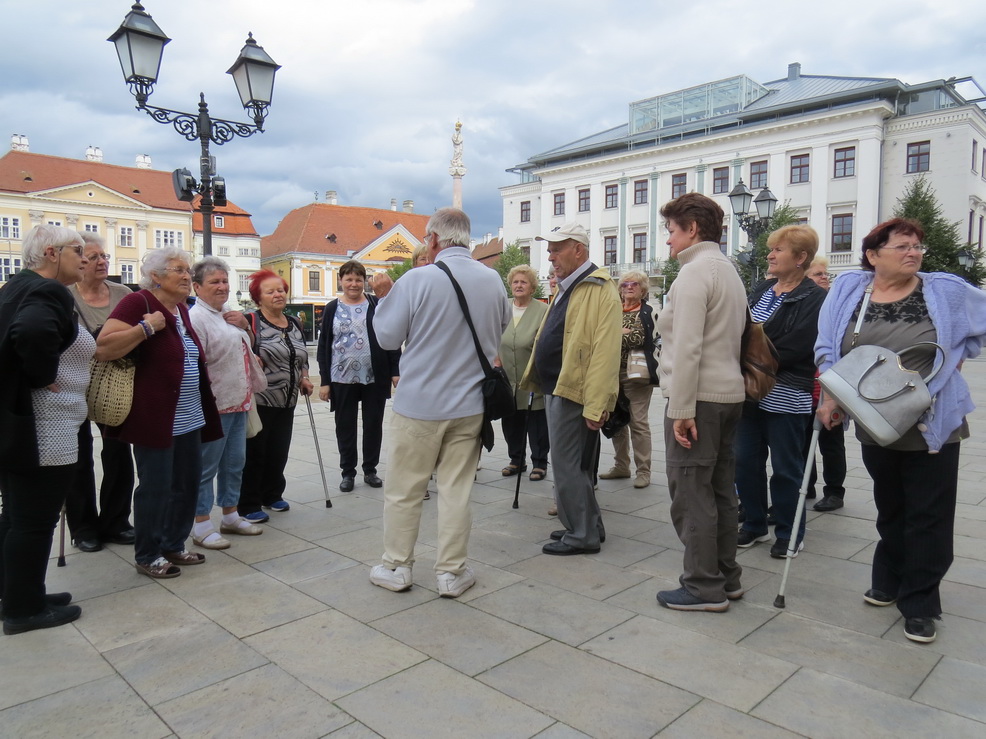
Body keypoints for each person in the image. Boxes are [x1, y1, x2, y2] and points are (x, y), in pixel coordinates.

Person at [816, 217, 986, 644]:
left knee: (928, 514)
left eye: (917, 246)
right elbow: (827, 347)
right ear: (873, 255)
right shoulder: (849, 289)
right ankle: (889, 579)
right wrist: (830, 396)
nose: (913, 253)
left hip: (932, 423)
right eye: (903, 246)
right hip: (875, 421)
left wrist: (959, 355)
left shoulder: (944, 290)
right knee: (890, 505)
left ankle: (921, 602)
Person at [366, 207, 510, 597]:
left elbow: (387, 338)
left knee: (404, 490)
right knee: (456, 491)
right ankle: (451, 572)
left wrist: (383, 298)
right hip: (470, 405)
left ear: (433, 239)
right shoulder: (492, 279)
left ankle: (397, 566)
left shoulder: (416, 279)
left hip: (419, 405)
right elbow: (500, 329)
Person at [98, 247, 222, 579]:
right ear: (155, 276)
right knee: (155, 487)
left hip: (190, 415)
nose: (187, 276)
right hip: (155, 417)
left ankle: (173, 544)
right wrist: (145, 328)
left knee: (186, 485)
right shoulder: (138, 302)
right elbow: (104, 347)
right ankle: (148, 553)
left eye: (188, 271)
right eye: (179, 270)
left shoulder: (181, 308)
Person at [655, 193, 747, 612]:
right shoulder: (728, 269)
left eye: (672, 231)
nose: (669, 240)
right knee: (721, 491)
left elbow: (687, 347)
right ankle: (726, 577)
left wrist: (681, 410)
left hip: (699, 399)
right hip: (727, 394)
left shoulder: (694, 273)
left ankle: (702, 586)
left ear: (692, 229)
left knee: (692, 494)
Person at [0, 226, 89, 634]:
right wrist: (41, 373)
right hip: (45, 425)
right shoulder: (48, 290)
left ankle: (16, 593)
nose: (83, 258)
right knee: (34, 520)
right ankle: (24, 609)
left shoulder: (16, 287)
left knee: (17, 516)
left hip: (18, 422)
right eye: (77, 250)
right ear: (52, 253)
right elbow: (33, 332)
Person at [522, 222, 621, 556]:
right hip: (559, 386)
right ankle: (588, 525)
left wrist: (597, 403)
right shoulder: (571, 285)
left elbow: (605, 351)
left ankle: (581, 535)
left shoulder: (598, 287)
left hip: (574, 391)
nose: (550, 256)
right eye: (549, 250)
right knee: (574, 465)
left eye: (556, 249)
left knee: (567, 466)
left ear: (578, 250)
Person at [735, 226, 826, 559]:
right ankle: (755, 524)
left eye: (778, 250)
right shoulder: (762, 289)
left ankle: (789, 532)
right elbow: (739, 328)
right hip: (748, 393)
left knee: (787, 469)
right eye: (771, 249)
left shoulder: (815, 298)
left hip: (787, 395)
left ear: (801, 257)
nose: (770, 255)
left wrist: (748, 355)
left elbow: (798, 345)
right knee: (745, 462)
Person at [65, 232, 136, 552]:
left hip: (115, 385)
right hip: (74, 383)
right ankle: (83, 527)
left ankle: (116, 520)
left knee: (118, 453)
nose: (102, 261)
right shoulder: (65, 296)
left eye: (104, 256)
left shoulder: (123, 294)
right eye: (93, 257)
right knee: (79, 457)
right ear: (79, 262)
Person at [188, 257, 263, 550]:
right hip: (213, 404)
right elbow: (197, 362)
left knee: (234, 463)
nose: (222, 287)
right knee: (206, 466)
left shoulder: (227, 313)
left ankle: (230, 515)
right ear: (197, 287)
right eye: (214, 282)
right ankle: (201, 523)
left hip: (239, 400)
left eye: (224, 281)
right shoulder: (197, 318)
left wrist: (246, 327)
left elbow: (247, 346)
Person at [317, 260, 400, 492]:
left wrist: (395, 370)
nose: (353, 284)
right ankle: (348, 472)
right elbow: (324, 346)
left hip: (374, 376)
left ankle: (370, 469)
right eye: (349, 279)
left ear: (365, 281)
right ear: (341, 281)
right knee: (345, 426)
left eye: (358, 279)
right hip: (341, 377)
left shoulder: (375, 304)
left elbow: (390, 336)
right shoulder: (332, 308)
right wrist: (324, 381)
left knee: (373, 424)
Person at [238, 270, 314, 523]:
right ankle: (248, 503)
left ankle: (272, 494)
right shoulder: (250, 321)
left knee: (279, 450)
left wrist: (304, 377)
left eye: (280, 290)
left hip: (288, 399)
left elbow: (301, 357)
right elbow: (239, 351)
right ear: (258, 297)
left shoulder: (294, 323)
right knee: (255, 452)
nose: (278, 294)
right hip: (260, 399)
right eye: (270, 291)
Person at [599, 269, 659, 488]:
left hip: (637, 376)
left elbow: (639, 338)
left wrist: (616, 333)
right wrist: (621, 332)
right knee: (616, 421)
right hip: (612, 374)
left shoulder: (648, 312)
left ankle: (643, 471)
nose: (629, 288)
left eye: (634, 284)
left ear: (643, 289)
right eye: (625, 284)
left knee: (638, 422)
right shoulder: (613, 310)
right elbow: (601, 335)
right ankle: (621, 466)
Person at [498, 265, 550, 482]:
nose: (518, 286)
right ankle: (516, 460)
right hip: (507, 375)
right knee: (511, 421)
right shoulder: (503, 307)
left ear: (532, 287)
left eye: (523, 282)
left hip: (532, 375)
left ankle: (539, 462)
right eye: (515, 282)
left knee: (537, 422)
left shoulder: (543, 310)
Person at [804, 256, 847, 512]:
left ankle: (834, 491)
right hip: (804, 387)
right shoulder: (803, 304)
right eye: (817, 274)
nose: (824, 278)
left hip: (828, 387)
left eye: (825, 274)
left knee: (831, 443)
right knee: (802, 442)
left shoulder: (836, 307)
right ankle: (807, 484)